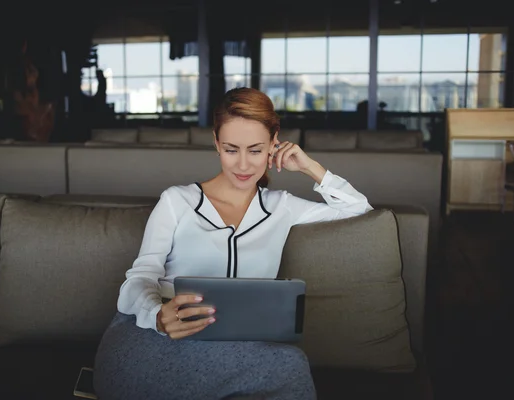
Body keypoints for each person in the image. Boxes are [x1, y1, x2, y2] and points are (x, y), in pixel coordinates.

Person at [94, 88, 373, 400]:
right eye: (231, 149)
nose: (243, 165)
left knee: (279, 369)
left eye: (255, 150)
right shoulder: (177, 200)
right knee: (289, 366)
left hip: (236, 351)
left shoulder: (283, 206)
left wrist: (310, 166)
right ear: (216, 143)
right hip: (150, 340)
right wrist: (158, 315)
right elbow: (139, 278)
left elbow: (360, 211)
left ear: (274, 143)